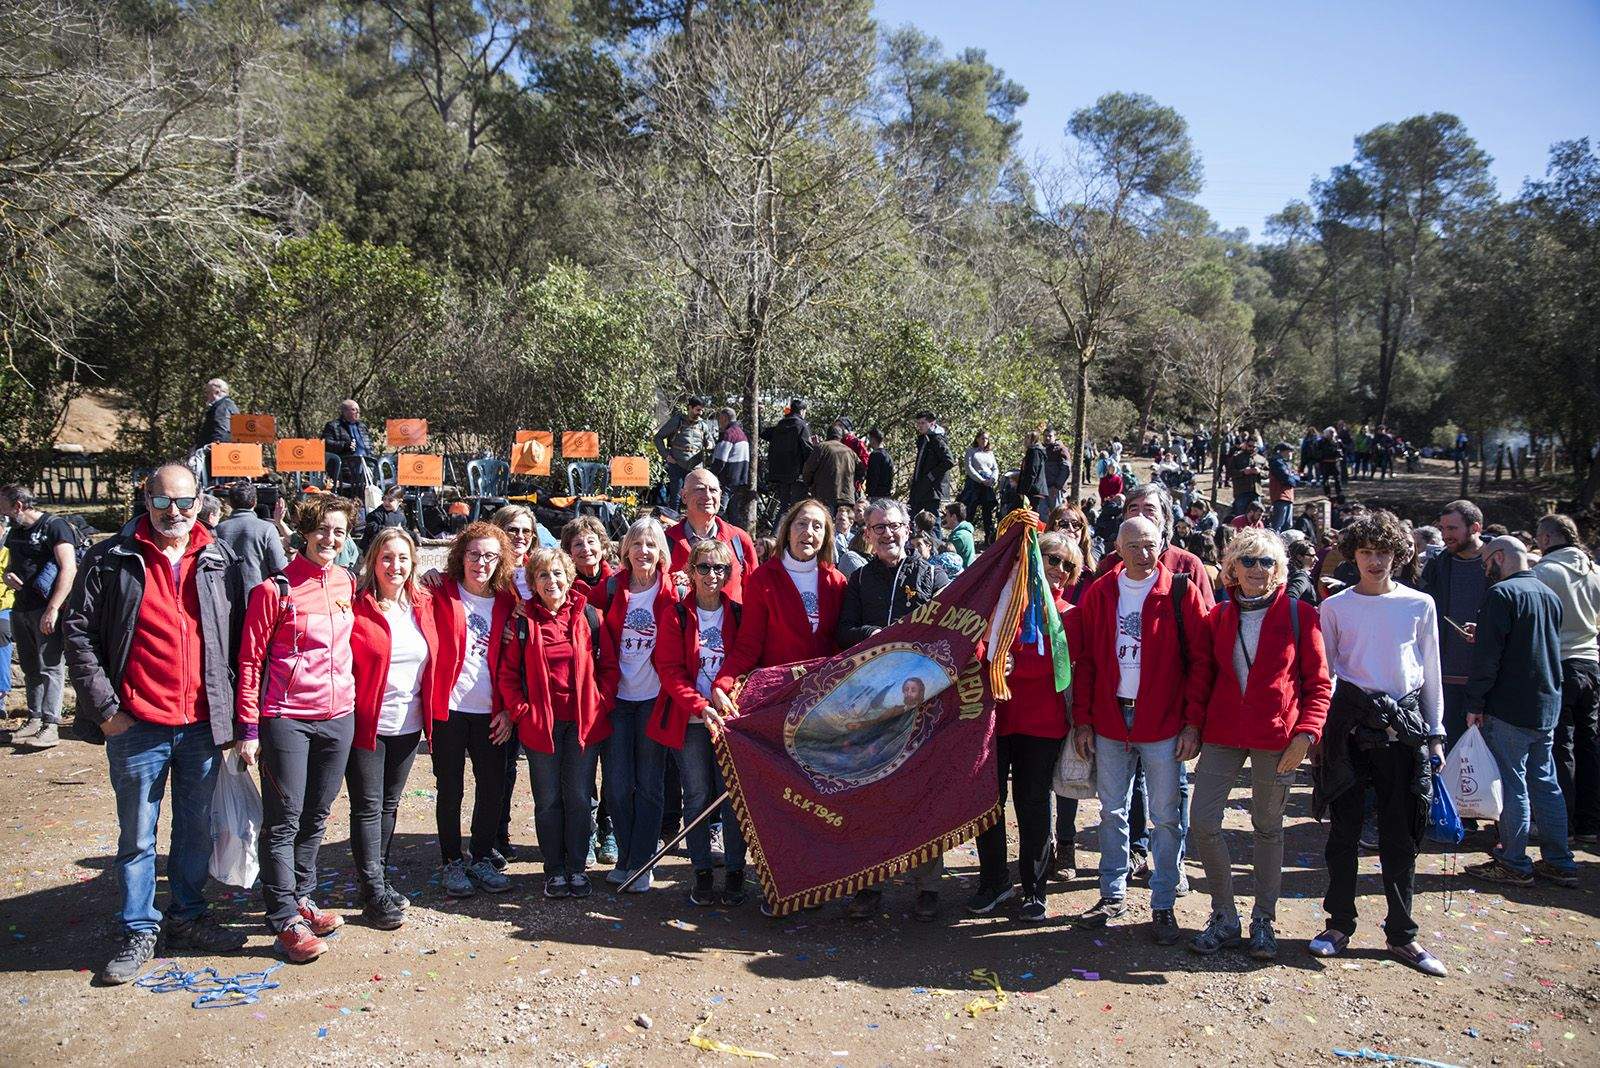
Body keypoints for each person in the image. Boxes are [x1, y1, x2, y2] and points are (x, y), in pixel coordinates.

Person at [63, 463, 248, 983]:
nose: (175, 512)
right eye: (164, 502)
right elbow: (78, 635)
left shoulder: (219, 557)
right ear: (146, 500)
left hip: (201, 725)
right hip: (136, 723)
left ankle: (187, 915)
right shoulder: (111, 558)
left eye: (185, 502)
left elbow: (238, 636)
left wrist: (233, 713)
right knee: (138, 836)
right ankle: (138, 927)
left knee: (194, 830)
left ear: (200, 501)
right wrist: (105, 710)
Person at [1310, 511, 1447, 977]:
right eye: (1366, 552)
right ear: (1353, 555)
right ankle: (1338, 926)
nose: (1374, 561)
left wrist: (1436, 732)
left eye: (1383, 552)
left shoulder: (1419, 605)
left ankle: (1403, 935)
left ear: (1399, 554)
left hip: (1404, 731)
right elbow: (1325, 674)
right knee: (1344, 832)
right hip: (1348, 727)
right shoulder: (1335, 608)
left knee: (1400, 835)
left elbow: (1430, 671)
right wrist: (1319, 733)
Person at [1187, 529, 1332, 959]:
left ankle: (1263, 920)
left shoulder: (1300, 615)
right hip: (1224, 733)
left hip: (1277, 737)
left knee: (1268, 828)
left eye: (1266, 562)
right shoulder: (1217, 617)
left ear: (1279, 569)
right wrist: (1192, 726)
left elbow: (1319, 684)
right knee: (1203, 820)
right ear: (1231, 566)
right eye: (1247, 560)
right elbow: (1202, 679)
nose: (1256, 569)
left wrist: (1307, 735)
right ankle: (1224, 915)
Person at [1070, 516, 1209, 943]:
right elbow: (1089, 661)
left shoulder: (1180, 591)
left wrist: (1192, 722)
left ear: (1162, 543)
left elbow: (1201, 663)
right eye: (1133, 546)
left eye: (1150, 545)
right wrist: (1084, 719)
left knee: (1165, 816)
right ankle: (1112, 895)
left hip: (1164, 723)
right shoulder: (1102, 591)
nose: (1142, 554)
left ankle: (1163, 902)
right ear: (1118, 548)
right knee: (1111, 812)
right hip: (1113, 721)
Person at [236, 494, 360, 964]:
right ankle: (283, 914)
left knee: (317, 815)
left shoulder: (346, 581)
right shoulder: (275, 590)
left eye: (340, 532)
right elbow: (249, 661)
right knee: (283, 821)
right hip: (286, 718)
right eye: (323, 530)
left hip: (339, 716)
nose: (330, 539)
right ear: (305, 532)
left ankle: (304, 897)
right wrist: (248, 728)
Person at [836, 499, 950, 920]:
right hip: (871, 706)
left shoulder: (933, 576)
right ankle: (868, 885)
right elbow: (843, 631)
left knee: (922, 794)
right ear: (866, 535)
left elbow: (953, 628)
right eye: (878, 528)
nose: (887, 534)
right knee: (871, 794)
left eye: (895, 526)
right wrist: (876, 635)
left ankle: (928, 885)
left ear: (908, 529)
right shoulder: (859, 579)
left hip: (923, 703)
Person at [970, 531, 1081, 921]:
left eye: (1069, 566)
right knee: (989, 804)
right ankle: (994, 881)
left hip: (1042, 726)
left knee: (1033, 805)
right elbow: (979, 647)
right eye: (1052, 559)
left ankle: (1034, 888)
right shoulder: (1003, 608)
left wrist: (1017, 666)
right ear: (1033, 561)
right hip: (996, 723)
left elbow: (1065, 671)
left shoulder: (1069, 615)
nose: (1060, 570)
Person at [498, 546, 615, 900]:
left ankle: (577, 867)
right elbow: (507, 675)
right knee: (548, 800)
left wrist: (601, 702)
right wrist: (521, 712)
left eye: (558, 573)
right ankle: (554, 870)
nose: (552, 581)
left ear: (570, 577)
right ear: (533, 581)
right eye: (544, 575)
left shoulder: (589, 616)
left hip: (583, 724)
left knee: (579, 797)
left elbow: (609, 668)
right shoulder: (522, 621)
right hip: (540, 728)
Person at [1463, 536, 1578, 887]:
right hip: (1545, 702)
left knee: (1514, 783)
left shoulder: (1502, 594)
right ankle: (1559, 860)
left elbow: (1489, 658)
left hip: (1510, 704)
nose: (1485, 568)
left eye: (1486, 561)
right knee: (1544, 782)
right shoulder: (1548, 594)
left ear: (1499, 557)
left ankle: (1514, 861)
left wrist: (1474, 703)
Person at [348, 527, 442, 929]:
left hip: (408, 724)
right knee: (368, 806)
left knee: (389, 804)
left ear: (413, 563)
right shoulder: (355, 605)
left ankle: (378, 876)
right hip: (366, 723)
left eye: (403, 558)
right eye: (387, 557)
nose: (395, 566)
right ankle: (373, 890)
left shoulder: (423, 604)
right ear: (373, 560)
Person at [651, 540, 749, 906]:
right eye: (704, 567)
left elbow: (743, 662)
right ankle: (702, 871)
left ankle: (736, 869)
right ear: (690, 571)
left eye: (720, 568)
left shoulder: (738, 613)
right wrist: (699, 705)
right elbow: (669, 669)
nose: (712, 575)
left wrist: (722, 696)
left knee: (731, 795)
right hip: (690, 720)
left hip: (728, 719)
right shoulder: (675, 613)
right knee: (695, 795)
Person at [428, 521, 518, 898]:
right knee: (450, 788)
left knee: (492, 786)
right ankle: (452, 860)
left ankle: (481, 856)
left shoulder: (507, 601)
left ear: (501, 562)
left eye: (490, 556)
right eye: (474, 554)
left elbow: (515, 659)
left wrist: (509, 710)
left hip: (490, 710)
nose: (481, 562)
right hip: (449, 708)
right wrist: (428, 575)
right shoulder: (439, 592)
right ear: (460, 556)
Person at [598, 516, 680, 891]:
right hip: (618, 698)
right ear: (626, 550)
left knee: (650, 784)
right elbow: (566, 601)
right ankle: (627, 854)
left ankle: (643, 861)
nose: (643, 551)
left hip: (655, 699)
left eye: (651, 544)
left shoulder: (674, 591)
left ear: (660, 550)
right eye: (637, 544)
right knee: (616, 784)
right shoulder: (613, 587)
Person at [713, 499, 846, 713]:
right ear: (788, 530)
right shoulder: (763, 579)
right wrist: (723, 684)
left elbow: (840, 645)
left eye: (817, 526)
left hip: (824, 701)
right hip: (779, 698)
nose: (808, 532)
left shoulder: (837, 581)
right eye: (801, 524)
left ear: (826, 536)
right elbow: (749, 644)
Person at [1533, 514, 1600, 844]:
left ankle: (1566, 824)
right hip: (1591, 663)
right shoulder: (1594, 571)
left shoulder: (1544, 572)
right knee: (1590, 745)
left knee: (1562, 745)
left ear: (1546, 539)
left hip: (1559, 663)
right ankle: (1589, 823)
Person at [1, 484, 78, 749]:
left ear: (18, 505)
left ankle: (51, 725)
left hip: (45, 609)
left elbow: (69, 568)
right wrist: (7, 576)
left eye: (4, 507)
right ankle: (34, 719)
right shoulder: (16, 530)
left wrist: (53, 608)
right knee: (30, 668)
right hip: (20, 608)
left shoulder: (55, 527)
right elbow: (11, 566)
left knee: (50, 667)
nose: (3, 513)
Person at [1419, 500, 1489, 751]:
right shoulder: (1438, 564)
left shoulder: (1497, 562)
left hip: (1487, 682)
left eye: (1453, 528)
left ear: (1475, 527)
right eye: (1444, 528)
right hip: (1444, 678)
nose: (1446, 535)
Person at [1096, 484, 1216, 609]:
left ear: (1165, 517)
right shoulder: (1109, 565)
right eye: (1133, 509)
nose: (1140, 515)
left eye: (1150, 509)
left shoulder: (1188, 565)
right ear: (1125, 518)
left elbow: (1206, 619)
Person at [664, 468, 759, 603]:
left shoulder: (739, 540)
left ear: (720, 496)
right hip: (680, 623)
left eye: (713, 490)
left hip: (730, 623)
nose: (707, 496)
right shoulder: (665, 542)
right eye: (699, 489)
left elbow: (755, 594)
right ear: (684, 496)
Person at [215, 482, 289, 594]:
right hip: (259, 597)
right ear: (255, 502)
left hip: (226, 597)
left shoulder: (217, 530)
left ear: (230, 502)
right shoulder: (267, 529)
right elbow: (280, 567)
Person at [653, 396, 713, 509]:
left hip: (695, 467)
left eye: (702, 410)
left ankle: (694, 520)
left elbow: (710, 441)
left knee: (696, 495)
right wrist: (666, 455)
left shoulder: (702, 425)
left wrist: (709, 444)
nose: (700, 413)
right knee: (676, 496)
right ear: (690, 408)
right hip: (677, 465)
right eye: (698, 410)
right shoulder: (677, 421)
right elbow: (658, 438)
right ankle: (674, 522)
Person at [760, 399, 814, 520]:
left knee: (785, 507)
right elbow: (808, 450)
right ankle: (777, 535)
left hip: (779, 474)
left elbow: (763, 433)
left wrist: (759, 416)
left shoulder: (781, 425)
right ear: (802, 411)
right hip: (796, 475)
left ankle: (779, 535)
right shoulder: (801, 426)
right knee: (794, 509)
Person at [801, 424, 860, 516]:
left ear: (828, 435)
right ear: (841, 437)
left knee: (827, 525)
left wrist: (808, 483)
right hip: (847, 497)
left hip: (825, 496)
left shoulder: (822, 448)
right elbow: (862, 470)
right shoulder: (850, 452)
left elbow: (808, 469)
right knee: (842, 527)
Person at [322, 399, 374, 498]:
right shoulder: (333, 426)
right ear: (345, 411)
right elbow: (325, 444)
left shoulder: (362, 427)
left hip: (366, 467)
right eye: (354, 409)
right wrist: (345, 445)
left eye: (358, 410)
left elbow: (369, 445)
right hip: (345, 468)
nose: (358, 412)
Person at [908, 411, 954, 518]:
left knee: (933, 520)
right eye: (918, 423)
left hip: (932, 489)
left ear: (932, 423)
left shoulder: (937, 440)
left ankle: (934, 536)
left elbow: (949, 461)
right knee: (909, 516)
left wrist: (931, 476)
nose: (919, 426)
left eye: (923, 423)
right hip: (921, 486)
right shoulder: (924, 439)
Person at [561, 515, 617, 605]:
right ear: (569, 552)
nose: (586, 549)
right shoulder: (564, 585)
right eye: (578, 544)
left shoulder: (618, 580)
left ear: (602, 547)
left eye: (591, 542)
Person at [708, 407, 752, 519]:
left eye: (720, 419)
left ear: (724, 418)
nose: (719, 422)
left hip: (728, 477)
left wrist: (710, 475)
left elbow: (720, 460)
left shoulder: (729, 434)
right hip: (739, 478)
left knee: (720, 509)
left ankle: (716, 532)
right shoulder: (741, 433)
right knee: (733, 511)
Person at [192, 377, 240, 449]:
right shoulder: (231, 406)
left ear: (217, 392)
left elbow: (221, 435)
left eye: (208, 392)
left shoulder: (221, 408)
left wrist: (206, 451)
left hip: (217, 455)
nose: (206, 396)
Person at [1266, 442, 1301, 534]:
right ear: (1283, 452)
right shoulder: (1277, 463)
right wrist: (1293, 479)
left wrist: (1293, 478)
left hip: (1288, 497)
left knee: (1287, 526)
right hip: (1280, 497)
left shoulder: (1285, 464)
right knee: (1278, 525)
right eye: (1290, 451)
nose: (1291, 454)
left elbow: (1296, 478)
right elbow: (1286, 479)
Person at [1018, 430, 1049, 514]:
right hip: (1033, 490)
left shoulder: (1034, 452)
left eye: (1028, 438)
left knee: (1031, 517)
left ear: (1034, 439)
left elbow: (1032, 473)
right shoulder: (1033, 451)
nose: (1025, 440)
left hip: (1033, 491)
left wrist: (1024, 491)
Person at [1043, 428, 1072, 510]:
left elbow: (1066, 469)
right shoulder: (1042, 449)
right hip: (1043, 488)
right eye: (1045, 436)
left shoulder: (1061, 450)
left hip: (1055, 490)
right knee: (1043, 516)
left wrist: (1057, 487)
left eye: (1050, 436)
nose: (1047, 438)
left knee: (1056, 514)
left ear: (1054, 437)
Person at [941, 502, 976, 569]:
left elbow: (945, 559)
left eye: (947, 516)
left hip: (961, 574)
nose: (945, 519)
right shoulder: (965, 531)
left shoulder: (957, 537)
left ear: (954, 517)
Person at [1314, 427, 1344, 502]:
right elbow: (1317, 452)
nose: (1332, 434)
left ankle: (1339, 493)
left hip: (1335, 462)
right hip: (1325, 463)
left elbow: (1343, 450)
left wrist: (1340, 454)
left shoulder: (1337, 441)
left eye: (1333, 432)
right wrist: (1318, 461)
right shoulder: (1321, 442)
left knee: (1337, 479)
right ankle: (1327, 494)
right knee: (1325, 480)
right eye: (1330, 433)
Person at [864, 427, 894, 500]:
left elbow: (873, 475)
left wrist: (870, 494)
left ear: (873, 439)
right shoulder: (888, 456)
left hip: (876, 494)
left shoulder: (875, 455)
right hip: (886, 494)